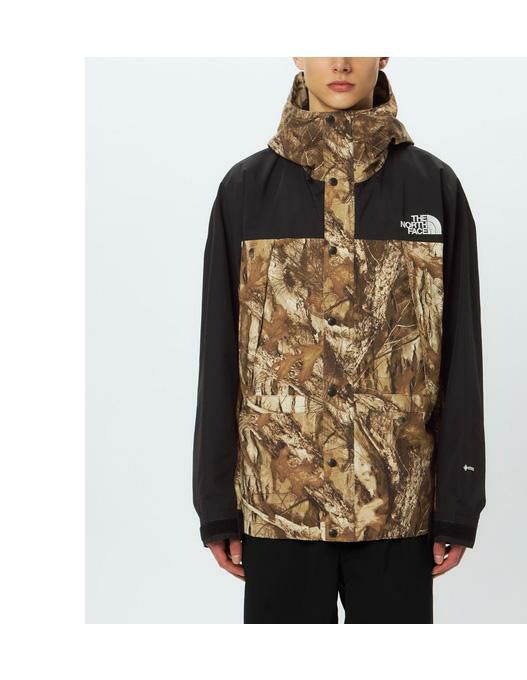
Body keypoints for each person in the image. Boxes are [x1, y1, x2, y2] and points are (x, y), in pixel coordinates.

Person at [192, 57, 486, 623]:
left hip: (397, 506)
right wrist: (216, 503)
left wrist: (458, 501)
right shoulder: (245, 191)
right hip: (279, 507)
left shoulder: (433, 187)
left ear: (384, 52)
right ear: (297, 51)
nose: (342, 61)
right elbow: (219, 354)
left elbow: (461, 356)